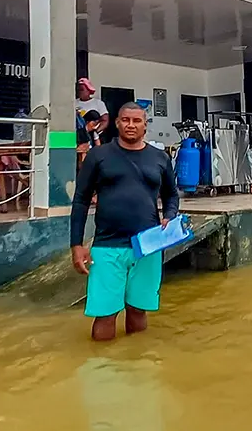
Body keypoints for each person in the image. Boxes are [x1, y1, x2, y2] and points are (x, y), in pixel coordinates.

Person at [70, 102, 180, 341]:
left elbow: (172, 194)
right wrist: (76, 245)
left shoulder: (160, 158)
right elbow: (80, 200)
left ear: (145, 125)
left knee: (138, 310)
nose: (131, 125)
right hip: (107, 245)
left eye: (136, 121)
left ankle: (136, 363)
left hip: (148, 245)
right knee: (105, 314)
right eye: (126, 120)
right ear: (118, 123)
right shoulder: (98, 155)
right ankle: (101, 369)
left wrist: (170, 215)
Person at [76, 78, 109, 143]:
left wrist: (95, 131)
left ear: (89, 90)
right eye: (78, 90)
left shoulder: (98, 103)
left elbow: (105, 120)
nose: (79, 92)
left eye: (82, 90)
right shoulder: (74, 103)